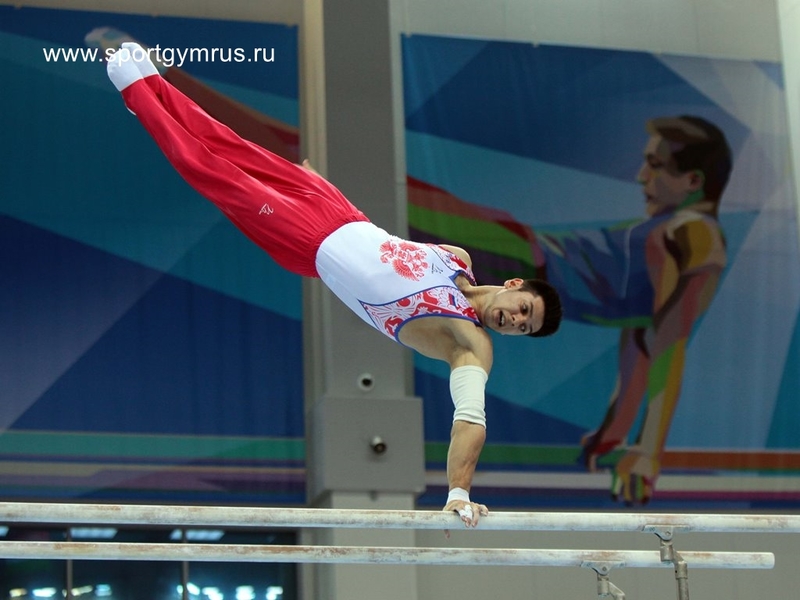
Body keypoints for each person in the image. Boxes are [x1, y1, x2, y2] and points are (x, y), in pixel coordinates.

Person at [105, 44, 562, 526]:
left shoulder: (470, 343)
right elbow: (384, 248)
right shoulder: (458, 259)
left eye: (523, 328)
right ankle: (154, 85)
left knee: (213, 171)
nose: (514, 321)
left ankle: (136, 94)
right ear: (515, 284)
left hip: (308, 243)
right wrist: (324, 191)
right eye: (524, 309)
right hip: (336, 209)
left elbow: (470, 420)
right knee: (232, 145)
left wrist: (458, 491)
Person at [407, 115, 731, 505]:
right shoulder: (676, 231)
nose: (641, 176)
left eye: (655, 165)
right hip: (519, 251)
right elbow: (646, 341)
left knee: (412, 205)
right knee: (408, 205)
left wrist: (644, 451)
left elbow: (663, 346)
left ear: (693, 181)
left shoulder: (697, 237)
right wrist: (621, 435)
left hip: (518, 251)